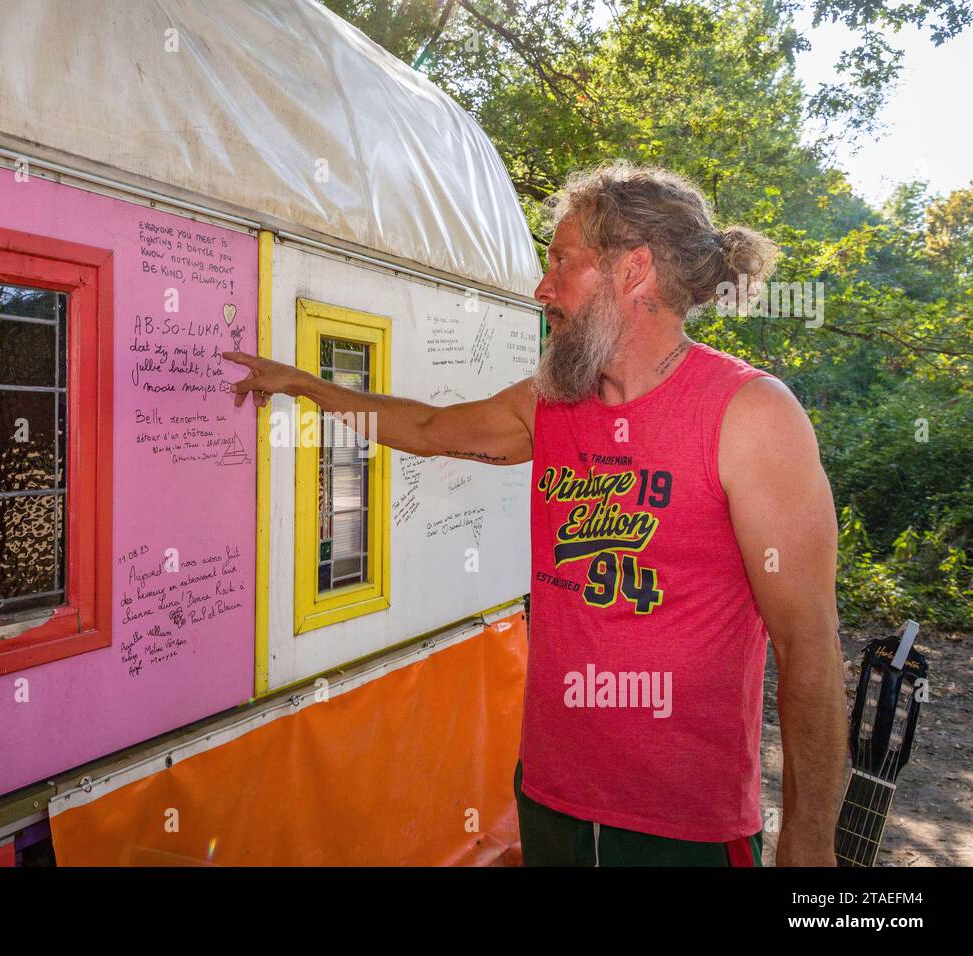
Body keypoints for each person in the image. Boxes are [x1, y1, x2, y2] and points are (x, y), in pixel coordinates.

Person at [222, 161, 846, 866]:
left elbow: (810, 646)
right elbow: (428, 428)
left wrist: (809, 839)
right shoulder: (549, 403)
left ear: (633, 270)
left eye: (561, 263)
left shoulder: (750, 415)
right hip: (550, 800)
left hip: (684, 827)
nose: (542, 288)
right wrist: (307, 387)